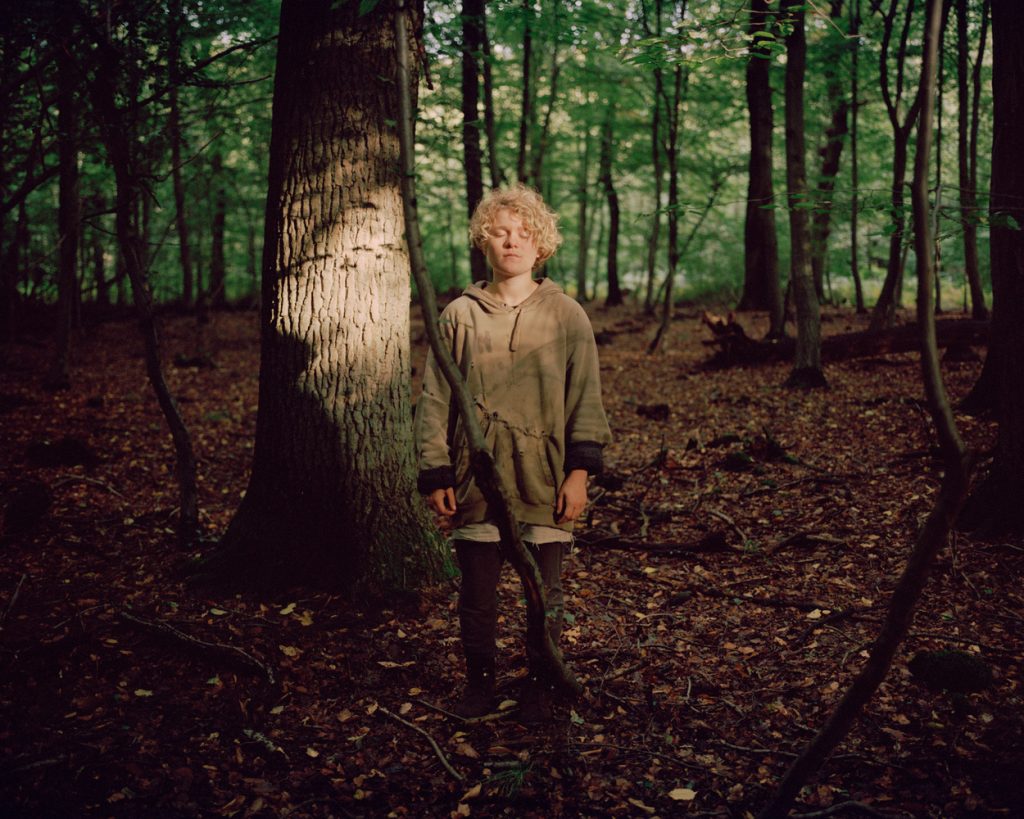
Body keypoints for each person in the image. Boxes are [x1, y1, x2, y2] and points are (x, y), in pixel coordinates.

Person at [414, 184, 612, 722]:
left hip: (545, 481)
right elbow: (435, 399)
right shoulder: (459, 315)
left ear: (541, 243)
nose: (512, 242)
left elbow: (586, 398)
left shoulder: (567, 315)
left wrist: (579, 473)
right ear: (484, 241)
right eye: (500, 233)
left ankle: (542, 685)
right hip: (477, 481)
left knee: (543, 595)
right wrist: (436, 471)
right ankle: (479, 684)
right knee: (478, 597)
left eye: (524, 233)